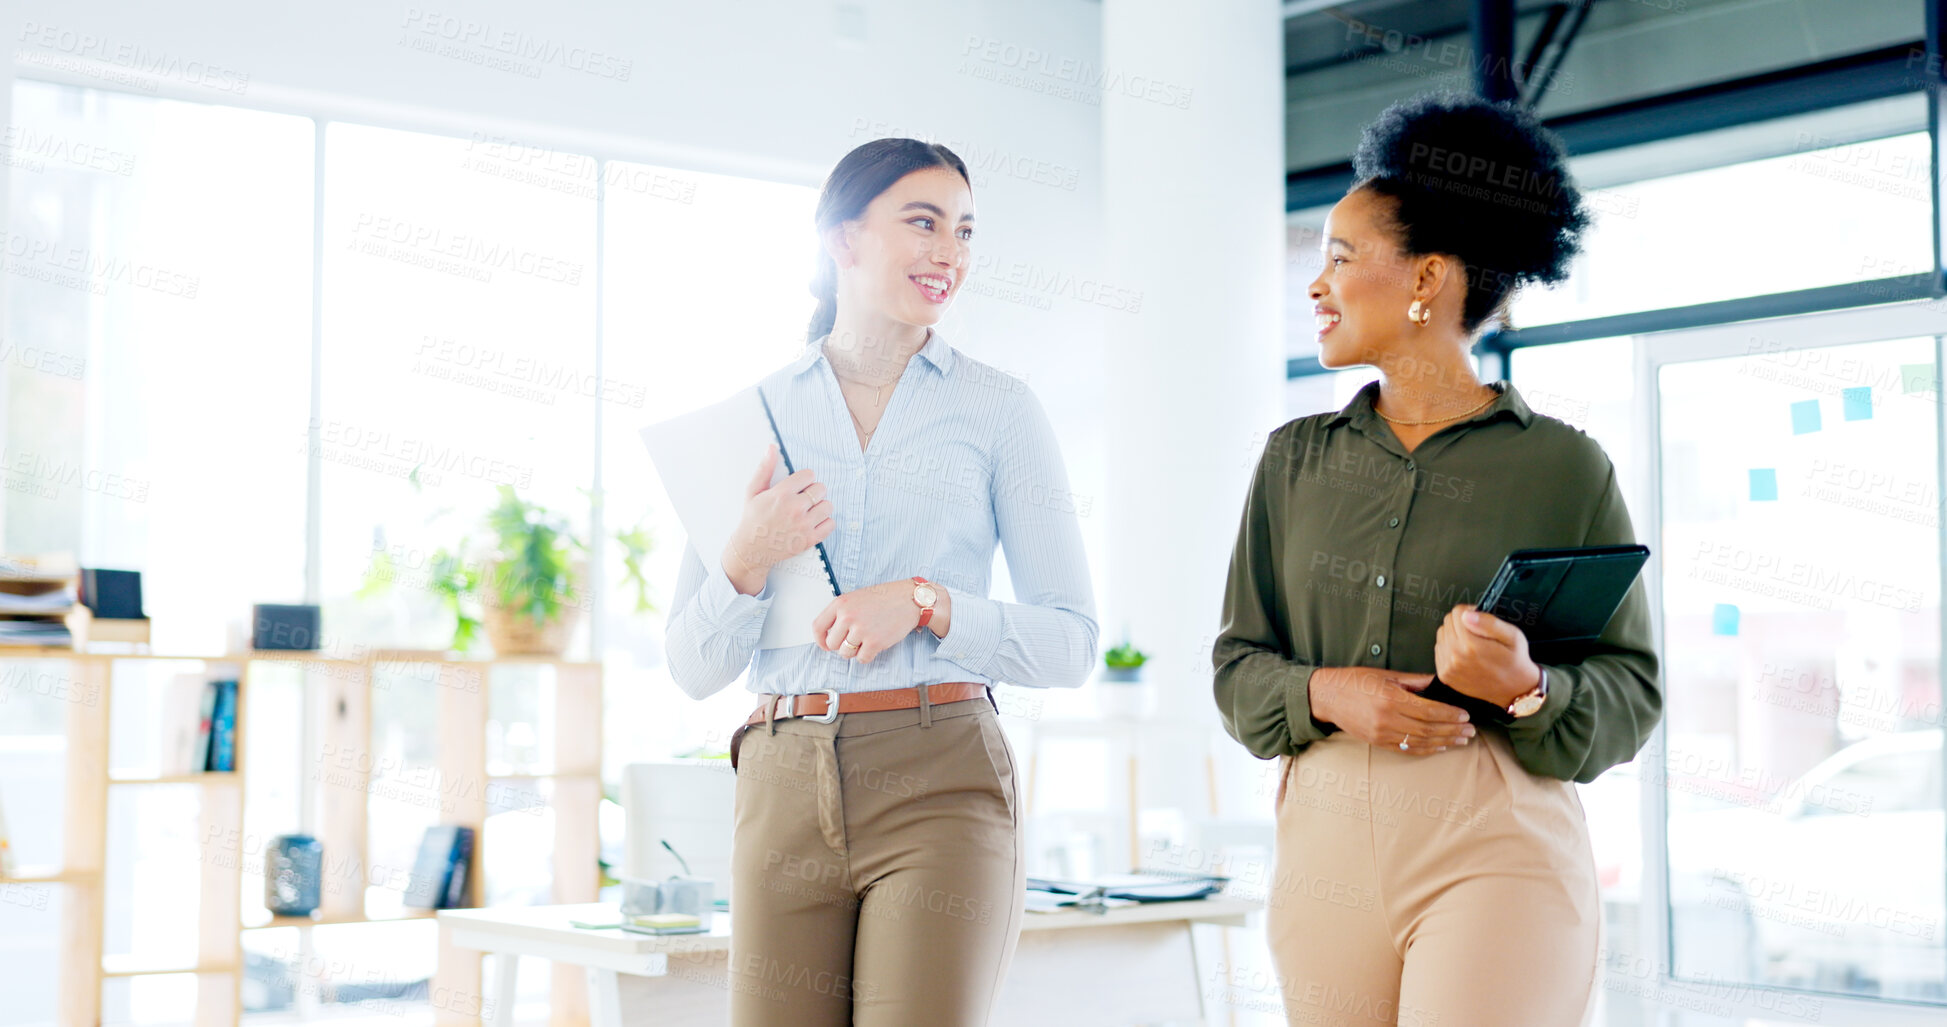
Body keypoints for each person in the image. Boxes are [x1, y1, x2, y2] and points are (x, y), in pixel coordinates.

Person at [1212, 93, 1661, 1026]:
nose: (1316, 283)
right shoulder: (1292, 460)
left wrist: (1529, 686)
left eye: (1340, 256)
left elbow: (1631, 691)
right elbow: (1237, 667)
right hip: (1325, 837)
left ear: (1425, 277)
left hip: (1491, 832)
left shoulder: (1562, 465)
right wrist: (1329, 693)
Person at [663, 136, 1098, 1027]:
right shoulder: (758, 416)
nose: (950, 252)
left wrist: (927, 602)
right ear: (843, 239)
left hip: (940, 776)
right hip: (781, 779)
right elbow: (690, 665)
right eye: (923, 222)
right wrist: (745, 555)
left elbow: (1071, 641)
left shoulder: (999, 410)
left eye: (965, 231)